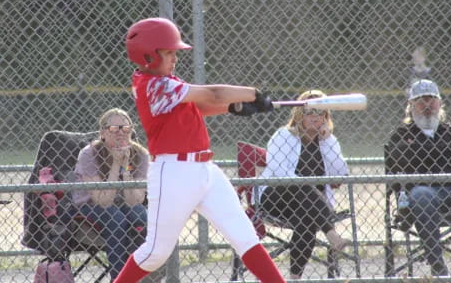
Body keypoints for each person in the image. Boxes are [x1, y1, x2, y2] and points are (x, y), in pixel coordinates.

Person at [114, 17, 285, 283]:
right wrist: (253, 94)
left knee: (245, 238)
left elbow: (199, 107)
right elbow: (213, 94)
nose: (175, 57)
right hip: (173, 173)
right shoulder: (152, 84)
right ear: (147, 54)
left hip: (205, 170)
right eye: (168, 52)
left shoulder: (167, 80)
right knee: (155, 254)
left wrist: (234, 107)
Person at [257, 89, 350, 279]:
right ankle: (331, 233)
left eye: (320, 112)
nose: (315, 117)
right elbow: (281, 172)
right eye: (310, 112)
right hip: (276, 198)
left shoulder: (328, 141)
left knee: (306, 219)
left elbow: (340, 174)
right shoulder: (284, 136)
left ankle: (294, 278)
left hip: (310, 207)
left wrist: (327, 141)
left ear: (326, 116)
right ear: (300, 114)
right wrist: (304, 184)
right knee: (304, 186)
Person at [386, 79, 451, 276]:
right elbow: (401, 164)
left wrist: (422, 152)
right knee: (421, 194)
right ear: (410, 106)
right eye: (420, 101)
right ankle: (438, 267)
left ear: (440, 104)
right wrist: (444, 153)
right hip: (423, 199)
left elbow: (416, 157)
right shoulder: (400, 135)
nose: (427, 106)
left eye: (431, 100)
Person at [72, 108, 149, 282]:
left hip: (123, 204)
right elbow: (103, 201)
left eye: (126, 128)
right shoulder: (89, 153)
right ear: (103, 133)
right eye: (114, 129)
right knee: (116, 218)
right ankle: (120, 279)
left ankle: (141, 276)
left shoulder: (141, 154)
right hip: (89, 206)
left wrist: (126, 165)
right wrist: (115, 162)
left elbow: (134, 200)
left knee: (140, 215)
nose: (121, 133)